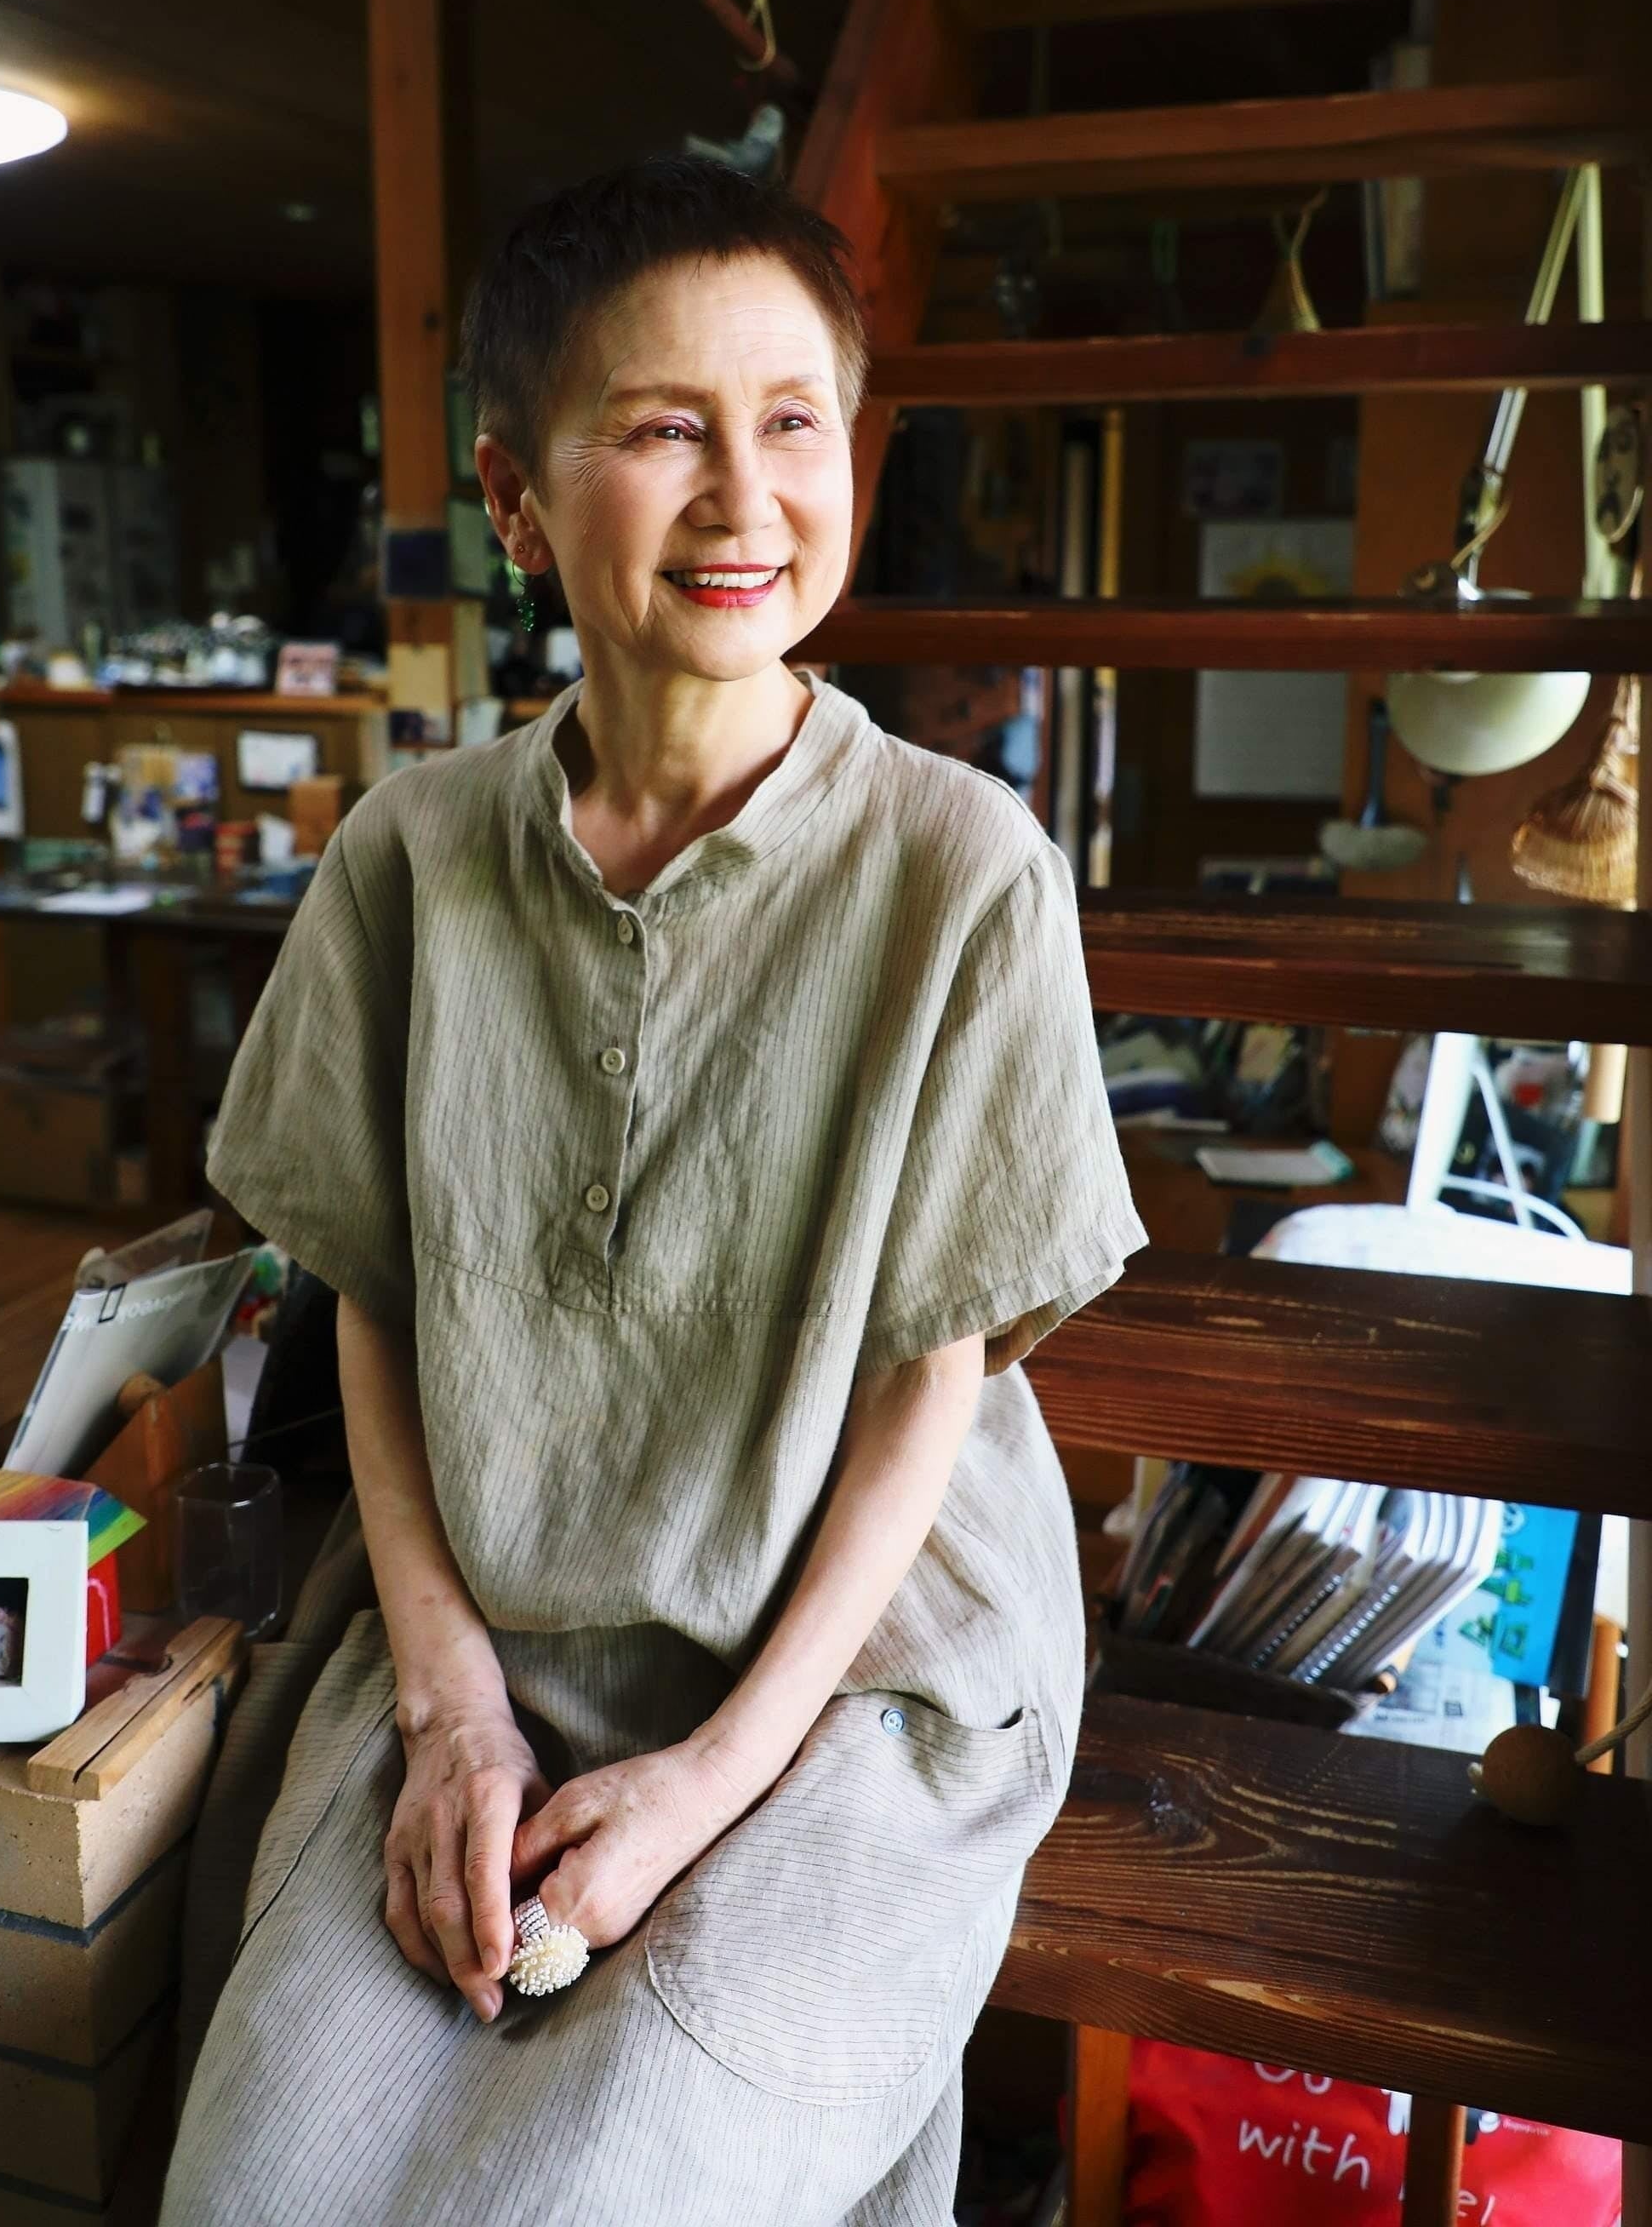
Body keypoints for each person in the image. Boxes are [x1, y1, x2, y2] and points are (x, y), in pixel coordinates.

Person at [161, 156, 1146, 2227]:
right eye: (660, 429)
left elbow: (928, 1386)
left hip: (857, 1669)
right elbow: (376, 1300)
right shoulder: (406, 857)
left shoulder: (963, 870)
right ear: (514, 500)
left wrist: (712, 1778)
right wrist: (448, 1713)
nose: (741, 496)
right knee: (261, 2172)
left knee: (590, 2188)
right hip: (491, 1624)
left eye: (790, 420)